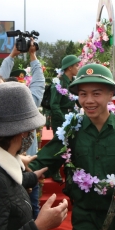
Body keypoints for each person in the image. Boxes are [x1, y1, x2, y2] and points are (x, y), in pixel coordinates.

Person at [30, 64, 115, 230]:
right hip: (85, 216)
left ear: (110, 94)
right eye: (83, 94)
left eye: (96, 93)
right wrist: (17, 172)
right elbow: (43, 162)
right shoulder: (71, 131)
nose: (89, 100)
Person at [0, 82, 68, 230]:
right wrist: (39, 227)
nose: (32, 136)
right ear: (23, 132)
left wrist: (31, 177)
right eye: (32, 131)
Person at [0, 42, 45, 218]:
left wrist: (12, 55)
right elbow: (39, 81)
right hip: (27, 169)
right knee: (32, 211)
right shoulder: (30, 105)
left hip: (1, 168)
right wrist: (32, 55)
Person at [49, 54, 80, 182]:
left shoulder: (73, 82)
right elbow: (54, 105)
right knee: (59, 144)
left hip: (71, 115)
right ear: (69, 67)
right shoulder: (58, 83)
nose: (78, 67)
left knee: (71, 144)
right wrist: (64, 120)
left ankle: (68, 169)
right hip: (60, 117)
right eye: (76, 65)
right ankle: (54, 170)